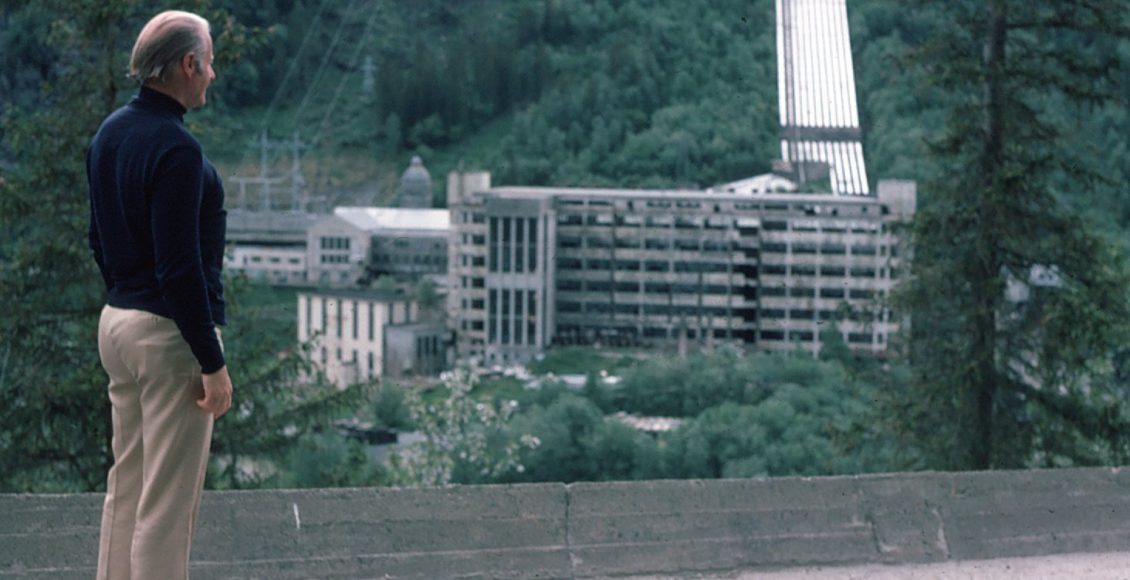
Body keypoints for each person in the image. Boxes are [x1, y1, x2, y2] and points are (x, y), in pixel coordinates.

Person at [86, 10, 232, 579]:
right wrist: (211, 361)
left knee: (127, 489)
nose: (212, 76)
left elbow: (97, 237)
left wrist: (125, 294)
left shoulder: (109, 134)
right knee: (166, 508)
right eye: (209, 62)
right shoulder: (177, 151)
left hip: (118, 325)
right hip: (168, 337)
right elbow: (180, 269)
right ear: (188, 64)